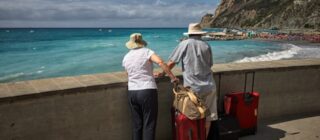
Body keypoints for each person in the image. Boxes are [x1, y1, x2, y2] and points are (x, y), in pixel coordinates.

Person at [156, 23, 218, 138]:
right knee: (208, 118)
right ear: (200, 34)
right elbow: (210, 64)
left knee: (191, 118)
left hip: (193, 89)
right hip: (209, 86)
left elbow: (172, 62)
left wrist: (162, 73)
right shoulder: (206, 45)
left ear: (189, 33)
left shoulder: (184, 44)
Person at [122, 33, 179, 140]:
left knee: (136, 125)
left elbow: (129, 74)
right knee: (149, 125)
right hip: (147, 91)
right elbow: (161, 62)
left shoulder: (126, 57)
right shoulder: (147, 52)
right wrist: (172, 77)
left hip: (132, 92)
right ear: (141, 42)